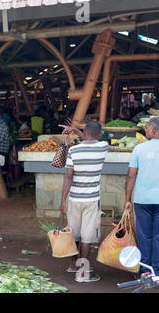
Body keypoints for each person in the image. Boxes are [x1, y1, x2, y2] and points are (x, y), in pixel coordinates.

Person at [59, 121, 109, 283]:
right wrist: (77, 131)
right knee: (87, 237)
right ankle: (82, 273)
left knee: (74, 233)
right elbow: (89, 138)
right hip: (91, 200)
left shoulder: (73, 150)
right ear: (99, 134)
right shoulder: (103, 147)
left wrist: (63, 201)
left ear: (85, 132)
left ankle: (73, 265)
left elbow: (68, 176)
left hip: (74, 198)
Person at [124, 117, 159, 275]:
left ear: (153, 131)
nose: (145, 131)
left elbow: (131, 176)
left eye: (146, 128)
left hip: (142, 199)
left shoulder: (139, 149)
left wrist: (127, 199)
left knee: (144, 235)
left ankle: (145, 270)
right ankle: (157, 271)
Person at [0, 110, 12, 178]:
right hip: (0, 150)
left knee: (2, 169)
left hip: (1, 151)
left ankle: (3, 185)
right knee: (1, 168)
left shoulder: (1, 125)